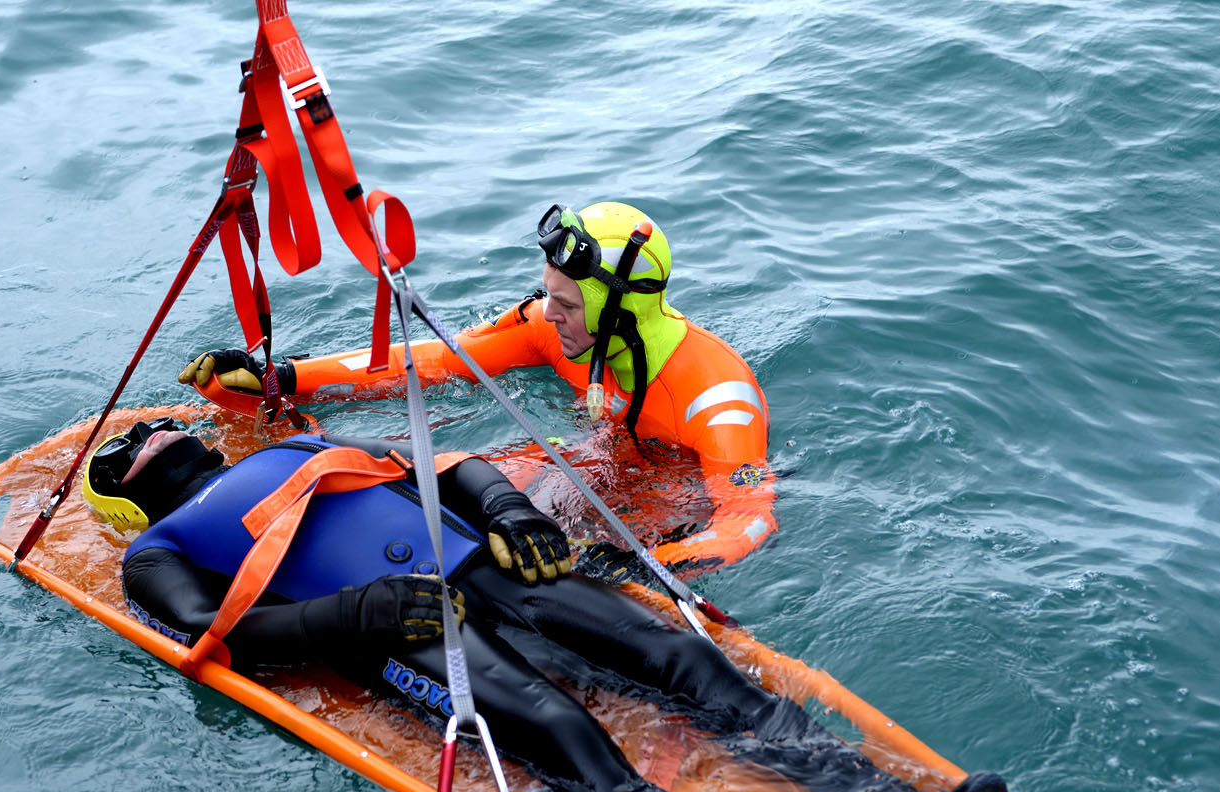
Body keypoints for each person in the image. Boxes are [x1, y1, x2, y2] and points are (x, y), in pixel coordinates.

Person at [83, 418, 1010, 792]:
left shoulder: (300, 443)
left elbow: (445, 463)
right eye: (127, 443)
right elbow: (227, 636)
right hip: (400, 625)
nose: (152, 427)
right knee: (562, 731)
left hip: (486, 563)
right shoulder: (152, 551)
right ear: (126, 489)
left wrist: (508, 508)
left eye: (155, 419)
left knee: (678, 659)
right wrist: (359, 615)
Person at [177, 202, 777, 576]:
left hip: (671, 507)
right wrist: (285, 378)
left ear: (619, 315)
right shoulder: (552, 329)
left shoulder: (717, 395)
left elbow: (748, 522)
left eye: (566, 305)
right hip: (584, 465)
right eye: (550, 296)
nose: (547, 315)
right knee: (459, 494)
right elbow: (433, 361)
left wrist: (642, 569)